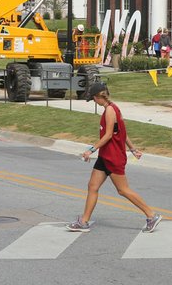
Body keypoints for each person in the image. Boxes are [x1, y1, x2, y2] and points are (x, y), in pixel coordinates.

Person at [67, 82, 162, 233]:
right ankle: (83, 222)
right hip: (105, 156)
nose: (93, 101)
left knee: (123, 190)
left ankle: (152, 216)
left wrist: (90, 150)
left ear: (99, 96)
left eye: (93, 98)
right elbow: (122, 133)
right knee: (92, 186)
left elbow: (109, 135)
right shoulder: (113, 108)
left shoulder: (110, 111)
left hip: (113, 157)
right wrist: (133, 149)